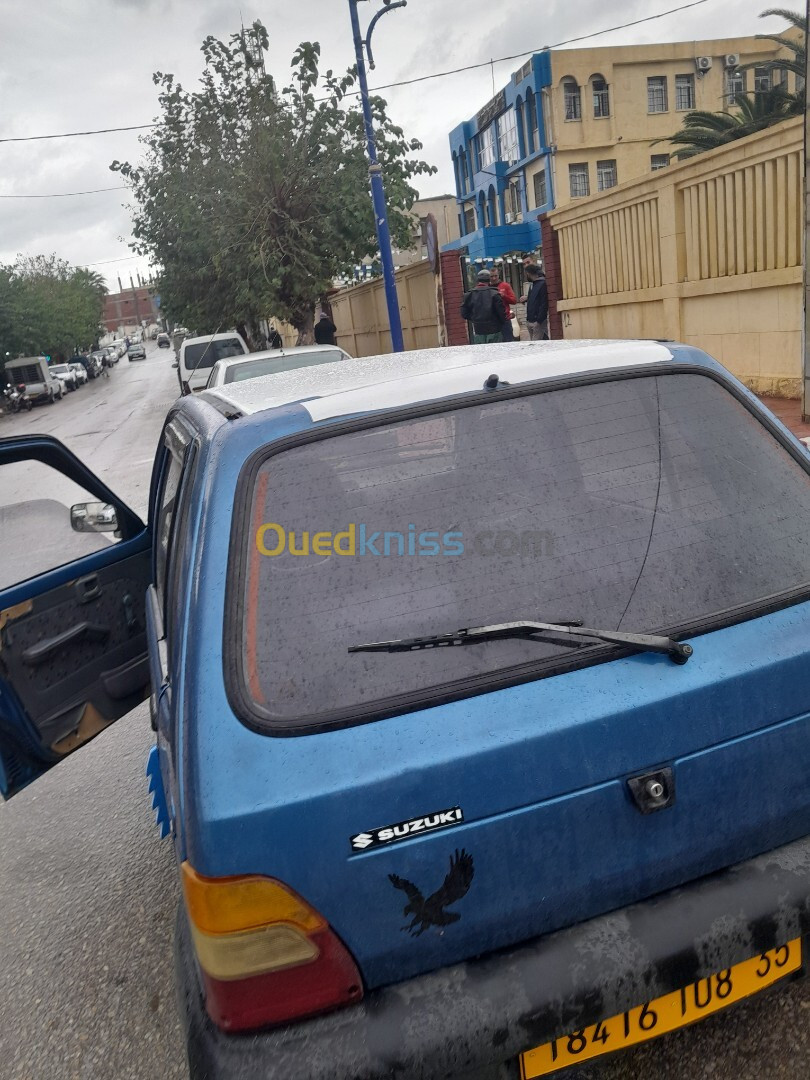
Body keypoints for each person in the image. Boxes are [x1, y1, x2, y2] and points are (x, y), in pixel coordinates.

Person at [461, 269, 508, 344]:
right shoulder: (495, 294)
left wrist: (474, 318)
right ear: (489, 280)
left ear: (478, 280)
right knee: (496, 353)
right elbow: (501, 313)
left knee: (481, 354)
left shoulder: (469, 295)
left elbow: (464, 313)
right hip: (494, 330)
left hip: (478, 330)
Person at [489, 267, 517, 341]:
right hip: (492, 321)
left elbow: (514, 301)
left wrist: (504, 296)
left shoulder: (505, 286)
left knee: (509, 342)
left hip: (505, 320)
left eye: (496, 276)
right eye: (492, 276)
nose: (494, 278)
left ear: (499, 275)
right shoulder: (487, 288)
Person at [524, 264, 549, 341]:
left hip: (537, 322)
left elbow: (544, 304)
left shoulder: (542, 284)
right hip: (531, 320)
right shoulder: (532, 285)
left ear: (528, 273)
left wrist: (538, 321)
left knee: (537, 345)